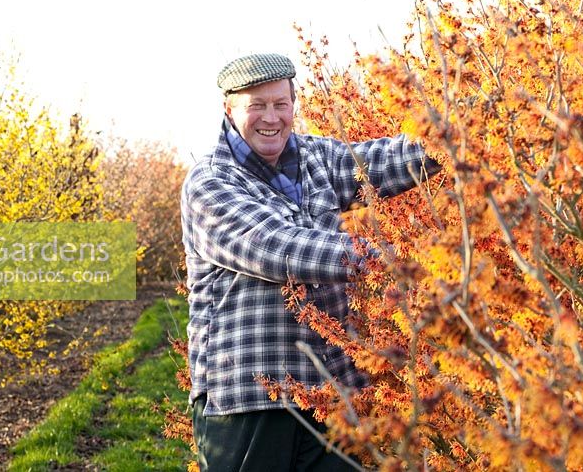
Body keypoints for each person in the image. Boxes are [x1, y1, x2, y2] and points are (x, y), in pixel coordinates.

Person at [181, 53, 441, 471]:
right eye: (257, 106)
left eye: (280, 104)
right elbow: (277, 247)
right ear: (229, 110)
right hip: (248, 399)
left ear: (293, 103)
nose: (271, 117)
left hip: (333, 396)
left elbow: (386, 160)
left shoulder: (318, 159)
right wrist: (389, 262)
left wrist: (454, 138)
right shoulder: (211, 182)